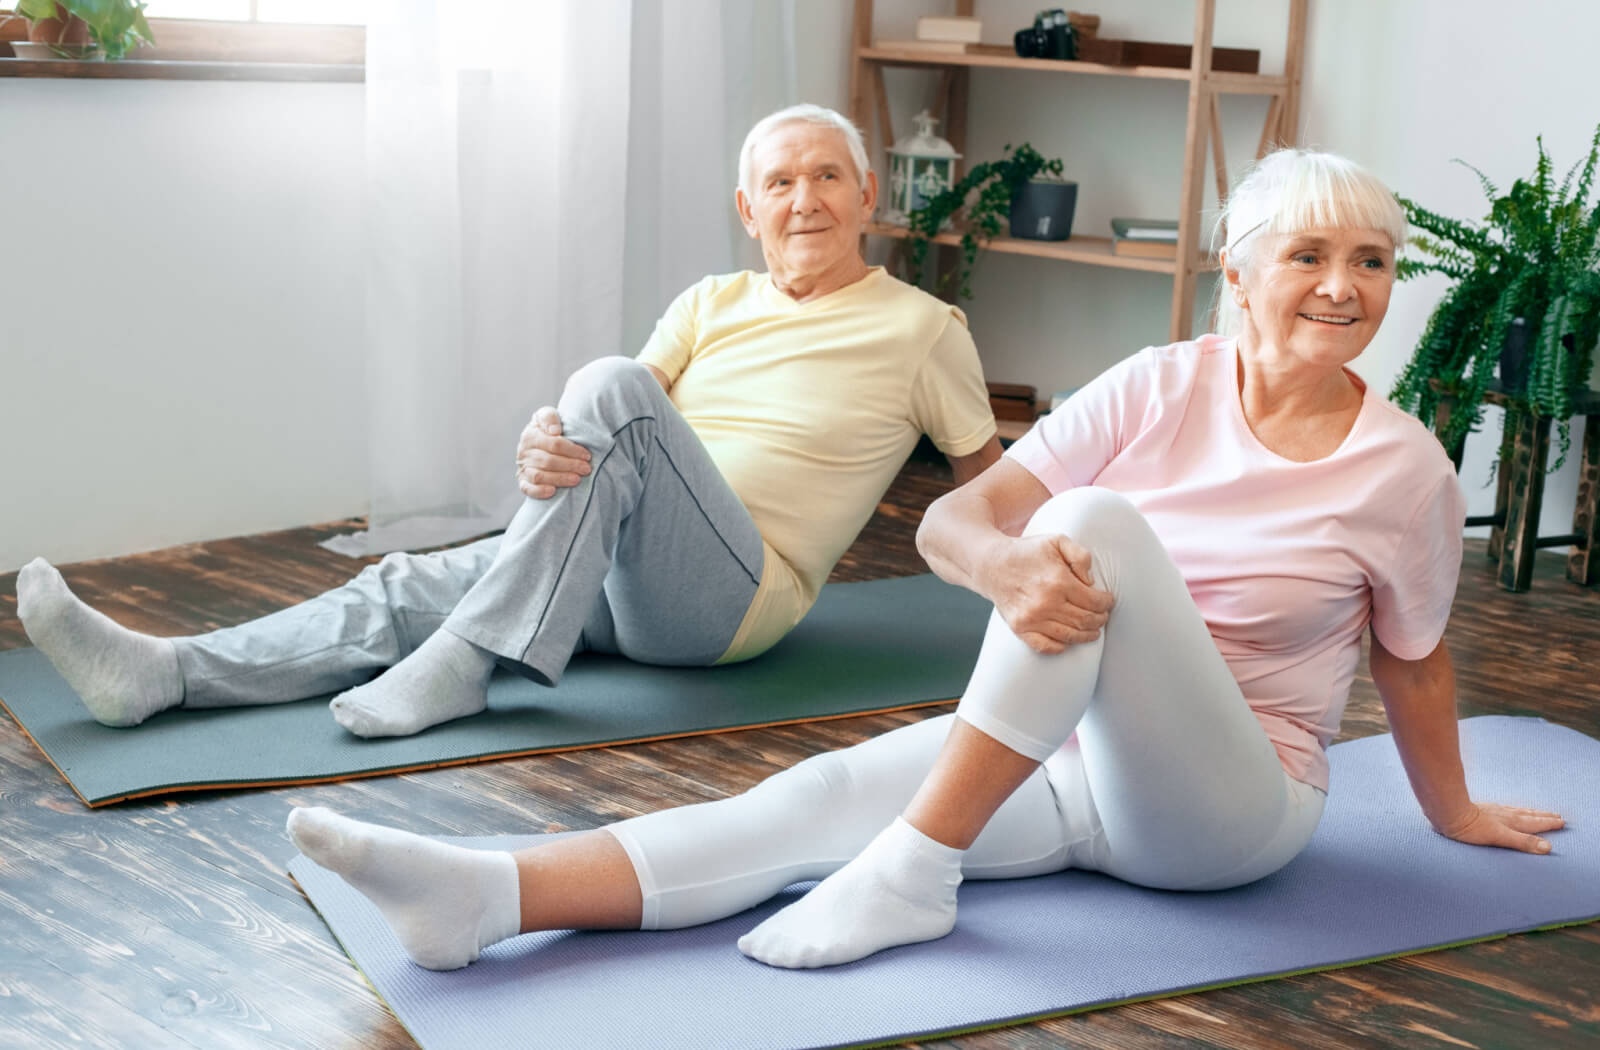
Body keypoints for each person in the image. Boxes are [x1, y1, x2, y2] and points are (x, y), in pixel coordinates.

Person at [282, 147, 1567, 975]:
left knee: (1090, 529)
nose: (1344, 287)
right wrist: (1005, 574)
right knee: (803, 802)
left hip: (1229, 813)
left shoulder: (1401, 467)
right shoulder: (1158, 383)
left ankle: (912, 870)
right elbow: (957, 523)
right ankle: (490, 897)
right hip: (1067, 767)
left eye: (1372, 262)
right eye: (1308, 255)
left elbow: (1415, 655)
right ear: (1237, 271)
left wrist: (1451, 813)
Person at [14, 103, 1001, 738]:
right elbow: (614, 423)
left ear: (868, 195)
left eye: (827, 175)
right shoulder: (711, 301)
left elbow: (992, 490)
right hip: (619, 559)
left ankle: (467, 660)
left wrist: (1031, 595)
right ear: (748, 208)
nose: (805, 200)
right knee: (405, 585)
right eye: (780, 182)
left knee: (609, 384)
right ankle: (164, 675)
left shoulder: (922, 329)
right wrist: (547, 441)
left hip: (732, 602)